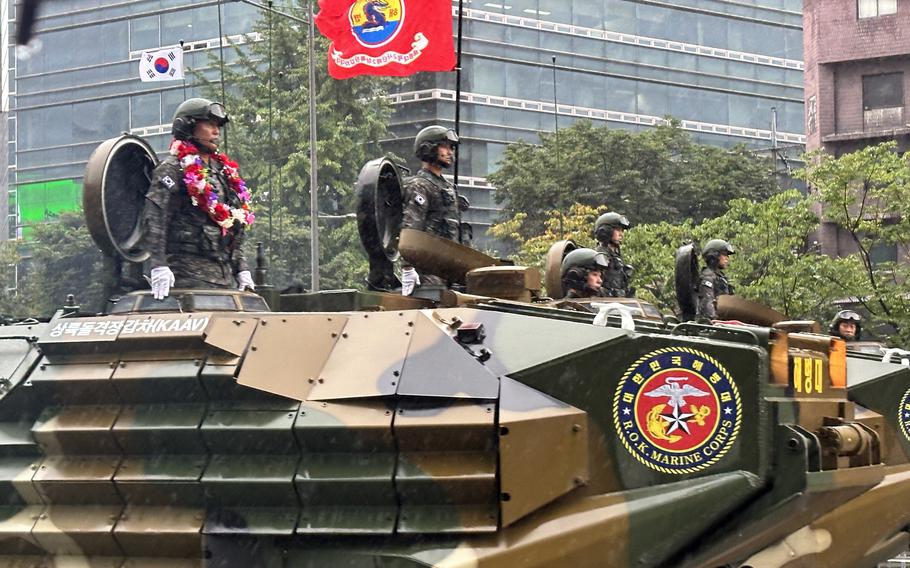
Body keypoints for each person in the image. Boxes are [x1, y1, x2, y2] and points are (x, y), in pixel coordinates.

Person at [141, 98, 255, 300]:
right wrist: (158, 265)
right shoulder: (173, 169)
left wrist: (242, 269)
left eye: (218, 126)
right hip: (186, 277)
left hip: (224, 278)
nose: (216, 132)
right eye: (210, 124)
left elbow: (232, 225)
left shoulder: (223, 172)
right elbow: (155, 217)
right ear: (188, 127)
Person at [400, 125, 467, 295]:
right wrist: (407, 268)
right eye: (445, 146)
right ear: (428, 148)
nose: (450, 152)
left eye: (452, 147)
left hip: (453, 271)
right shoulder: (420, 186)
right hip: (430, 273)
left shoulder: (447, 187)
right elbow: (411, 228)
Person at [593, 211, 634, 297]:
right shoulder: (600, 256)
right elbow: (595, 287)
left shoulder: (615, 256)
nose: (621, 234)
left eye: (622, 231)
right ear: (606, 231)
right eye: (618, 230)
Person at [697, 239, 735, 319]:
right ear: (714, 256)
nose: (727, 258)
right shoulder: (708, 277)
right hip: (711, 326)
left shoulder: (720, 277)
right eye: (724, 254)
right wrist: (715, 322)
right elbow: (707, 303)